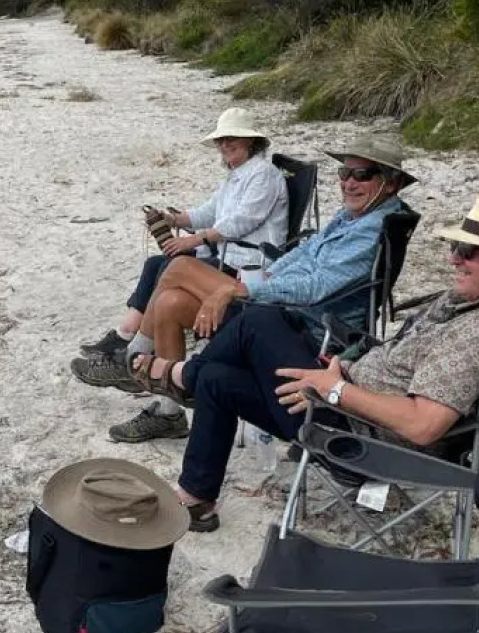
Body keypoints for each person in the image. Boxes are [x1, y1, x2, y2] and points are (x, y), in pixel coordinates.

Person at [131, 195, 479, 532]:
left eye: (469, 251)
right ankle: (196, 498)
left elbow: (423, 426)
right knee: (222, 378)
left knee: (258, 322)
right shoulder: (470, 303)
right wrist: (344, 365)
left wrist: (335, 388)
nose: (454, 258)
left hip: (354, 434)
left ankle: (180, 375)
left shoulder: (477, 333)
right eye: (456, 246)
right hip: (343, 396)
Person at [89, 132, 415, 444]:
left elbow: (317, 288)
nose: (349, 182)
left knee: (178, 266)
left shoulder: (372, 228)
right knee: (170, 302)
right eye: (345, 172)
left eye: (362, 174)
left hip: (301, 324)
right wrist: (265, 278)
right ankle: (168, 413)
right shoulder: (353, 215)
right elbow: (304, 250)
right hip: (277, 298)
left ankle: (132, 359)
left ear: (392, 182)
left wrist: (245, 290)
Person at [71, 106, 288, 386]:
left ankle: (133, 354)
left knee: (174, 265)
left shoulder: (264, 175)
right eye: (221, 139)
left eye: (233, 137)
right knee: (157, 266)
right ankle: (128, 338)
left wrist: (196, 239)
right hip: (226, 254)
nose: (225, 144)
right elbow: (211, 211)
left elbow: (242, 221)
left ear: (250, 140)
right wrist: (174, 218)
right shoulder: (238, 175)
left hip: (245, 264)